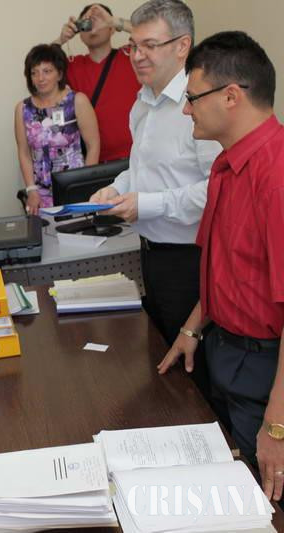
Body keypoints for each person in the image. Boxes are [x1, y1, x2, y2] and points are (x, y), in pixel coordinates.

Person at [158, 31, 284, 500]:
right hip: (226, 354)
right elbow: (224, 266)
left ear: (231, 96)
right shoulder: (226, 166)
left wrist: (278, 427)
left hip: (267, 372)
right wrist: (191, 329)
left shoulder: (276, 177)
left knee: (265, 500)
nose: (186, 110)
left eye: (192, 98)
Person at [90, 0, 222, 398]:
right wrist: (117, 187)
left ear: (182, 47)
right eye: (133, 45)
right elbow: (143, 168)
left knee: (198, 378)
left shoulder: (200, 105)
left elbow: (217, 189)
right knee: (168, 371)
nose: (137, 55)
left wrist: (147, 204)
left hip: (192, 262)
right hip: (151, 254)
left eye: (149, 45)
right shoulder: (143, 101)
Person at [15, 43, 100, 214]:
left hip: (74, 185)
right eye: (34, 73)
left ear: (59, 74)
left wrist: (85, 185)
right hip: (40, 192)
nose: (40, 78)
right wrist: (31, 190)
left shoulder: (77, 101)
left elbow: (94, 145)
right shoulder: (23, 109)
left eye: (47, 71)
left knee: (79, 228)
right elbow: (24, 152)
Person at [54, 3, 141, 162]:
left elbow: (156, 37)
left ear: (112, 29)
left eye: (99, 19)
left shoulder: (132, 55)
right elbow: (40, 68)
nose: (93, 25)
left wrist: (114, 21)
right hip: (93, 161)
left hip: (136, 157)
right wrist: (61, 39)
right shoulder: (73, 65)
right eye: (87, 21)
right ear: (80, 32)